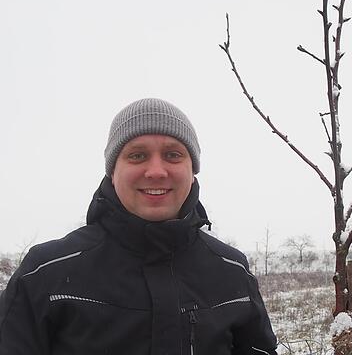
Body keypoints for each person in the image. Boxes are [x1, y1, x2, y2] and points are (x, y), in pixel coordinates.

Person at [0, 98, 277, 355]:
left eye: (172, 155)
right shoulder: (45, 272)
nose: (156, 171)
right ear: (112, 171)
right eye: (137, 156)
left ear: (192, 170)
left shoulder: (232, 270)